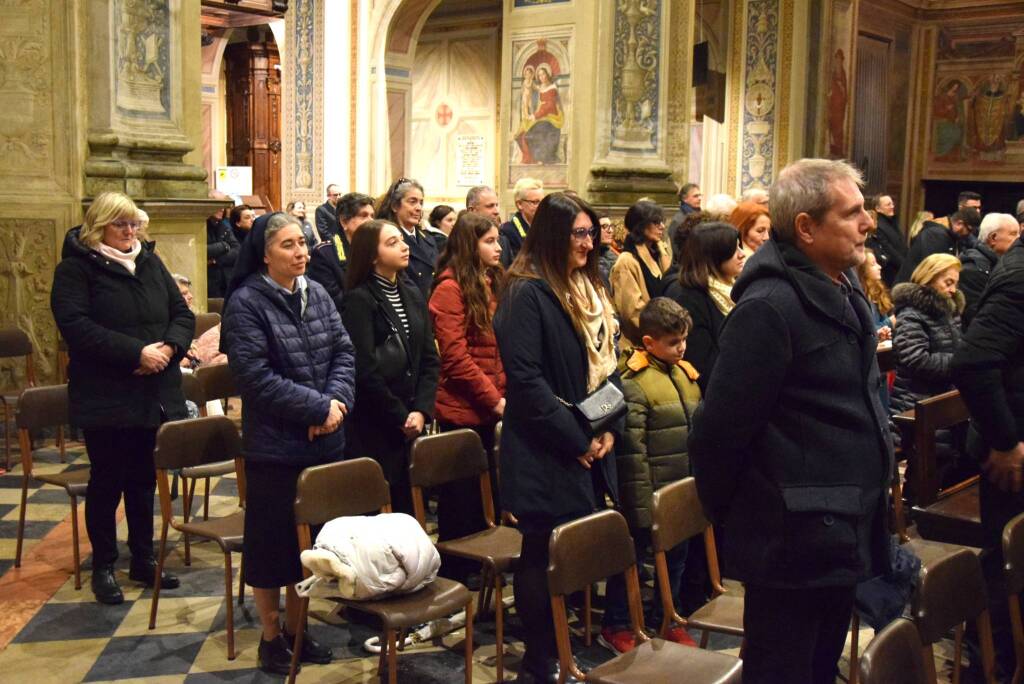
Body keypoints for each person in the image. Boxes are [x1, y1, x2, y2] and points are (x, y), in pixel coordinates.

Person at [689, 159, 892, 684]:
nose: (868, 222)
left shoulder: (839, 286)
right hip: (791, 543)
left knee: (819, 670)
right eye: (851, 214)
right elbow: (718, 434)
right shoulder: (771, 307)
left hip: (838, 531)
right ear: (806, 227)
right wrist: (751, 515)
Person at [221, 212, 356, 675]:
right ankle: (271, 636)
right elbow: (256, 379)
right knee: (272, 547)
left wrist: (335, 403)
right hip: (275, 447)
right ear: (264, 253)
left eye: (302, 243)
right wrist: (316, 409)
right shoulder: (245, 303)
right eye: (287, 245)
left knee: (311, 546)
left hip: (323, 443)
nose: (300, 252)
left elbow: (343, 349)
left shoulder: (315, 292)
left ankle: (300, 631)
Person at [495, 192, 621, 682]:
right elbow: (527, 383)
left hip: (586, 441)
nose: (589, 244)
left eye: (591, 232)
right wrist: (578, 440)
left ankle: (564, 646)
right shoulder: (525, 292)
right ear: (551, 235)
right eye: (579, 234)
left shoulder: (587, 287)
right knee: (539, 551)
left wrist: (606, 428)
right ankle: (539, 658)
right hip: (543, 447)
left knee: (567, 550)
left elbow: (607, 364)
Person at [51, 191, 195, 605]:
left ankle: (144, 558)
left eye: (134, 224)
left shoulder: (148, 261)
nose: (130, 232)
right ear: (99, 226)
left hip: (153, 389)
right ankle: (103, 564)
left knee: (143, 478)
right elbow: (76, 327)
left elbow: (182, 313)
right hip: (106, 392)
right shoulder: (76, 269)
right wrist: (135, 353)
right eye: (121, 224)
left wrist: (168, 349)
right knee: (107, 480)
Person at [600, 297, 700, 653]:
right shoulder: (635, 382)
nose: (681, 347)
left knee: (676, 561)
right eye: (673, 342)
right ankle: (616, 623)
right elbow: (633, 454)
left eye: (683, 340)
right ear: (648, 342)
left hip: (679, 493)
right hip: (649, 495)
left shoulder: (687, 376)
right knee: (629, 561)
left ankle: (666, 618)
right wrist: (641, 508)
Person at [951, 235, 1024, 680]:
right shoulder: (1021, 276)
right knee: (1008, 583)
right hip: (1013, 459)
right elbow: (973, 361)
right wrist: (1006, 441)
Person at [342, 219, 440, 515]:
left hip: (412, 419)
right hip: (376, 423)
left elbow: (429, 359)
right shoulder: (359, 299)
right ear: (372, 255)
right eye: (392, 242)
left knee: (408, 510)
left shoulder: (411, 293)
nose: (404, 246)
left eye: (402, 240)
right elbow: (365, 369)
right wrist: (400, 416)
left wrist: (421, 411)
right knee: (381, 513)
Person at [428, 212, 506, 581]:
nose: (498, 247)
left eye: (497, 240)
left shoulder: (491, 281)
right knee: (461, 501)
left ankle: (482, 564)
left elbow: (498, 349)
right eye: (489, 241)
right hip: (462, 408)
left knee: (486, 494)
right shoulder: (450, 288)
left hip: (491, 405)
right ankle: (457, 571)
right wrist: (494, 398)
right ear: (468, 244)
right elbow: (456, 358)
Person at [664, 222, 745, 390]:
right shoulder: (688, 299)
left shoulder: (734, 288)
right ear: (714, 256)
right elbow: (701, 364)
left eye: (740, 247)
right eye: (734, 250)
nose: (742, 254)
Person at [610, 200, 673, 352]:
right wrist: (663, 334)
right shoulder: (626, 261)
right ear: (641, 225)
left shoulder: (658, 254)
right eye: (656, 222)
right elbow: (632, 312)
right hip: (641, 345)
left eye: (662, 222)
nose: (662, 226)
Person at [307, 192, 375, 313]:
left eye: (372, 216)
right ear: (344, 221)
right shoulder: (324, 254)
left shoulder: (375, 250)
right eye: (364, 216)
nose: (371, 221)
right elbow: (333, 303)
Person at [376, 178, 436, 300]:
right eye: (412, 202)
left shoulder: (428, 239)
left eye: (421, 202)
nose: (419, 208)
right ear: (395, 206)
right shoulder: (386, 240)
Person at [960, 213, 1021, 326]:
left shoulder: (998, 265)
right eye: (1013, 234)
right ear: (993, 238)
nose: (1018, 239)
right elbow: (979, 316)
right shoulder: (972, 270)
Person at [896, 206, 980, 283]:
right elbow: (933, 272)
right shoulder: (937, 235)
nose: (969, 234)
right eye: (969, 230)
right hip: (911, 291)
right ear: (959, 223)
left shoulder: (944, 234)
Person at [499, 177, 544, 268]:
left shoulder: (546, 228)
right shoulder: (508, 231)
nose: (540, 206)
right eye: (535, 202)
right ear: (519, 204)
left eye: (542, 202)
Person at [855, 249, 894, 342]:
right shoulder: (859, 296)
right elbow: (868, 329)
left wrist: (885, 331)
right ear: (862, 271)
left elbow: (880, 326)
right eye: (873, 264)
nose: (879, 267)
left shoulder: (877, 291)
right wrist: (890, 322)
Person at [871, 195, 906, 286]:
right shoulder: (879, 226)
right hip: (890, 272)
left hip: (899, 270)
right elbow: (888, 249)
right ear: (878, 209)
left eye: (892, 204)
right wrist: (904, 265)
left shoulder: (892, 223)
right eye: (888, 204)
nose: (892, 206)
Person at [207, 207, 240, 298]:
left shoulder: (223, 225)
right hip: (209, 282)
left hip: (226, 280)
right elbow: (203, 250)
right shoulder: (201, 225)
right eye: (218, 205)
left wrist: (215, 260)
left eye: (223, 207)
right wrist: (224, 245)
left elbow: (237, 251)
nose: (221, 209)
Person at [598, 213, 619, 287]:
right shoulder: (589, 258)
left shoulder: (613, 253)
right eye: (605, 226)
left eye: (611, 226)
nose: (610, 231)